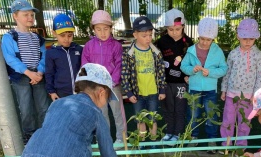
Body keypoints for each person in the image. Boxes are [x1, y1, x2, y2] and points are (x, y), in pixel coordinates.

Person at [1, 0, 50, 144]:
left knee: (43, 106)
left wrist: (40, 72)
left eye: (31, 15)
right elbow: (9, 58)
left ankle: (45, 132)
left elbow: (44, 56)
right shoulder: (9, 37)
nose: (30, 17)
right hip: (21, 77)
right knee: (26, 107)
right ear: (15, 16)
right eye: (26, 14)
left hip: (38, 76)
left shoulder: (37, 38)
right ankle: (30, 134)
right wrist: (28, 72)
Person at [180, 17, 228, 153]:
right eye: (202, 38)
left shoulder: (217, 51)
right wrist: (191, 70)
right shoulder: (191, 50)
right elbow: (184, 66)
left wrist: (211, 72)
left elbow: (224, 69)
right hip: (194, 89)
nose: (205, 42)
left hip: (210, 90)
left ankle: (212, 140)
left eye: (208, 39)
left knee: (211, 115)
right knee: (193, 114)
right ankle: (193, 138)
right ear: (198, 36)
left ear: (213, 39)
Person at [82, 10, 126, 148]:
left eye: (106, 29)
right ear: (93, 29)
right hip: (96, 86)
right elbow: (85, 64)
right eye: (98, 29)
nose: (102, 32)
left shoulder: (116, 46)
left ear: (111, 28)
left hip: (113, 86)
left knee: (118, 113)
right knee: (101, 114)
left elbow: (119, 64)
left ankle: (121, 139)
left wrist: (112, 81)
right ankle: (105, 140)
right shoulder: (89, 46)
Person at [220, 19, 261, 156]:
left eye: (251, 38)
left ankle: (240, 147)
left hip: (249, 96)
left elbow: (259, 77)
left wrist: (256, 96)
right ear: (238, 36)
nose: (248, 41)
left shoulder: (258, 55)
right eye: (245, 38)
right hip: (231, 94)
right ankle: (225, 145)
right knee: (228, 120)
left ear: (255, 38)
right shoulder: (233, 54)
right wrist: (224, 89)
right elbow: (227, 73)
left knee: (244, 123)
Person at [121, 16, 166, 149]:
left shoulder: (156, 52)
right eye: (144, 35)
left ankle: (152, 141)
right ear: (135, 34)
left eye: (150, 35)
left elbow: (161, 71)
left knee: (153, 118)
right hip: (137, 93)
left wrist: (162, 89)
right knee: (140, 119)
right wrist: (128, 92)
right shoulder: (129, 53)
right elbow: (125, 74)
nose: (148, 38)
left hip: (153, 92)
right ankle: (141, 141)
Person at [155, 8, 194, 144]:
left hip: (181, 83)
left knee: (180, 109)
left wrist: (189, 75)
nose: (174, 32)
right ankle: (169, 132)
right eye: (170, 29)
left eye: (177, 29)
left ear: (183, 27)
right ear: (166, 28)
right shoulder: (161, 42)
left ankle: (177, 133)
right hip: (165, 83)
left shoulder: (188, 43)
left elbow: (193, 62)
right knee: (168, 108)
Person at [45, 14, 83, 100]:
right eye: (62, 35)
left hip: (80, 90)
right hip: (61, 93)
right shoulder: (51, 52)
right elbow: (49, 73)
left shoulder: (78, 49)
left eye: (70, 35)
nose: (66, 39)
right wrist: (52, 91)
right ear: (54, 33)